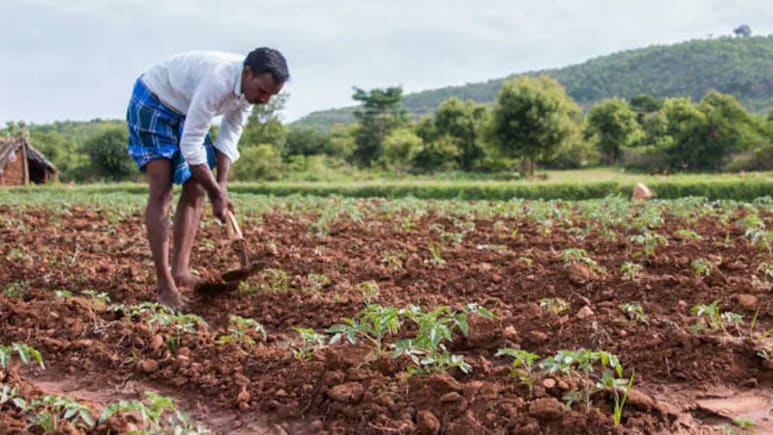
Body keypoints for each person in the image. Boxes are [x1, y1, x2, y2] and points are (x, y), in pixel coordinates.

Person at [126, 47, 289, 308]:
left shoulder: (249, 94)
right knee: (162, 190)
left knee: (197, 188)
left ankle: (181, 271)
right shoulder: (218, 80)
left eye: (271, 95)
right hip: (154, 101)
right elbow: (191, 145)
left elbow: (228, 137)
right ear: (247, 73)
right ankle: (165, 286)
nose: (264, 100)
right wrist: (217, 194)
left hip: (186, 110)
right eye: (262, 91)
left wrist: (221, 186)